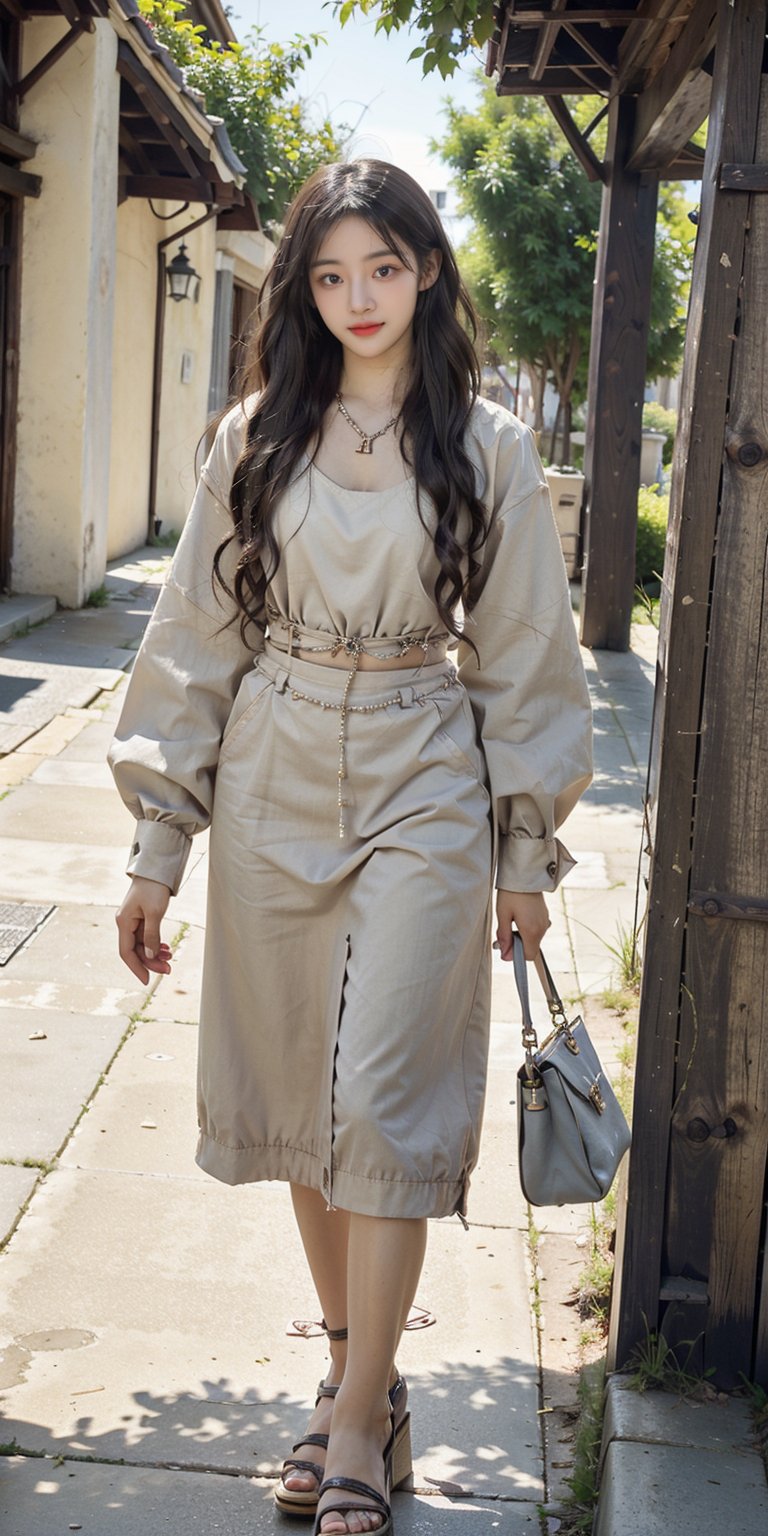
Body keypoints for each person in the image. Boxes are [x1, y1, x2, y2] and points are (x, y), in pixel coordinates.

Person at [109, 158, 593, 1536]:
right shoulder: (255, 435)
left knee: (386, 1092)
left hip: (426, 765)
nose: (357, 298)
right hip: (271, 764)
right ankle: (350, 1376)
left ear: (427, 270)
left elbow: (525, 662)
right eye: (330, 275)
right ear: (303, 290)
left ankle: (367, 1420)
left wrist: (523, 854)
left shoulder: (486, 448)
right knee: (304, 1103)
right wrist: (160, 844)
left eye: (382, 267)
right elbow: (195, 641)